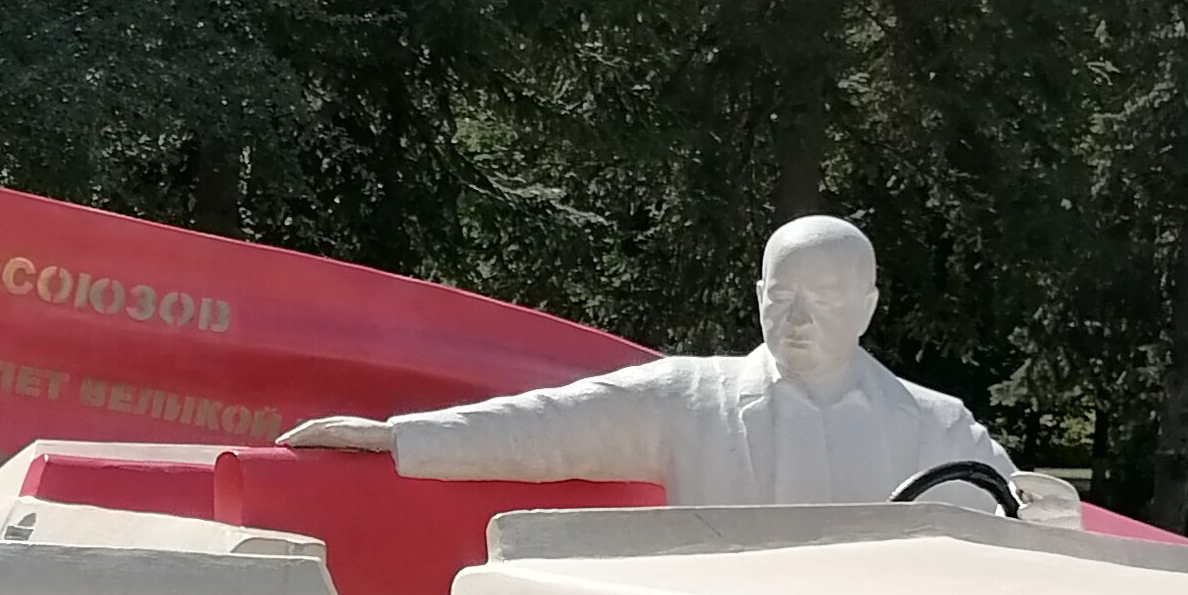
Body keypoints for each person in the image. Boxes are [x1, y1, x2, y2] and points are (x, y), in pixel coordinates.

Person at [283, 214, 1019, 508]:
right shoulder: (688, 398)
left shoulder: (936, 428)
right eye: (782, 296)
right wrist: (402, 437)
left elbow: (1031, 524)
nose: (797, 319)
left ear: (867, 305)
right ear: (758, 295)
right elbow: (551, 427)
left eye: (823, 299)